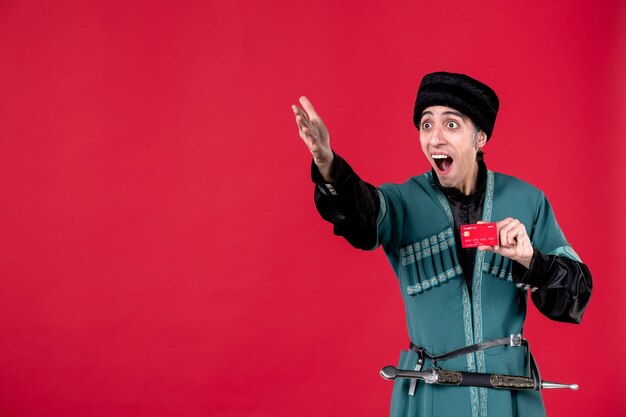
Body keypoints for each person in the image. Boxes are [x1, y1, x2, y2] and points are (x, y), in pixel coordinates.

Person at [291, 72, 592, 417]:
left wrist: (531, 260)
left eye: (451, 125)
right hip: (429, 394)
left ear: (480, 137)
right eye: (426, 125)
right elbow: (362, 213)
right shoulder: (401, 203)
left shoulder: (528, 201)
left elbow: (576, 293)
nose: (435, 139)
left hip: (510, 393)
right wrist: (328, 164)